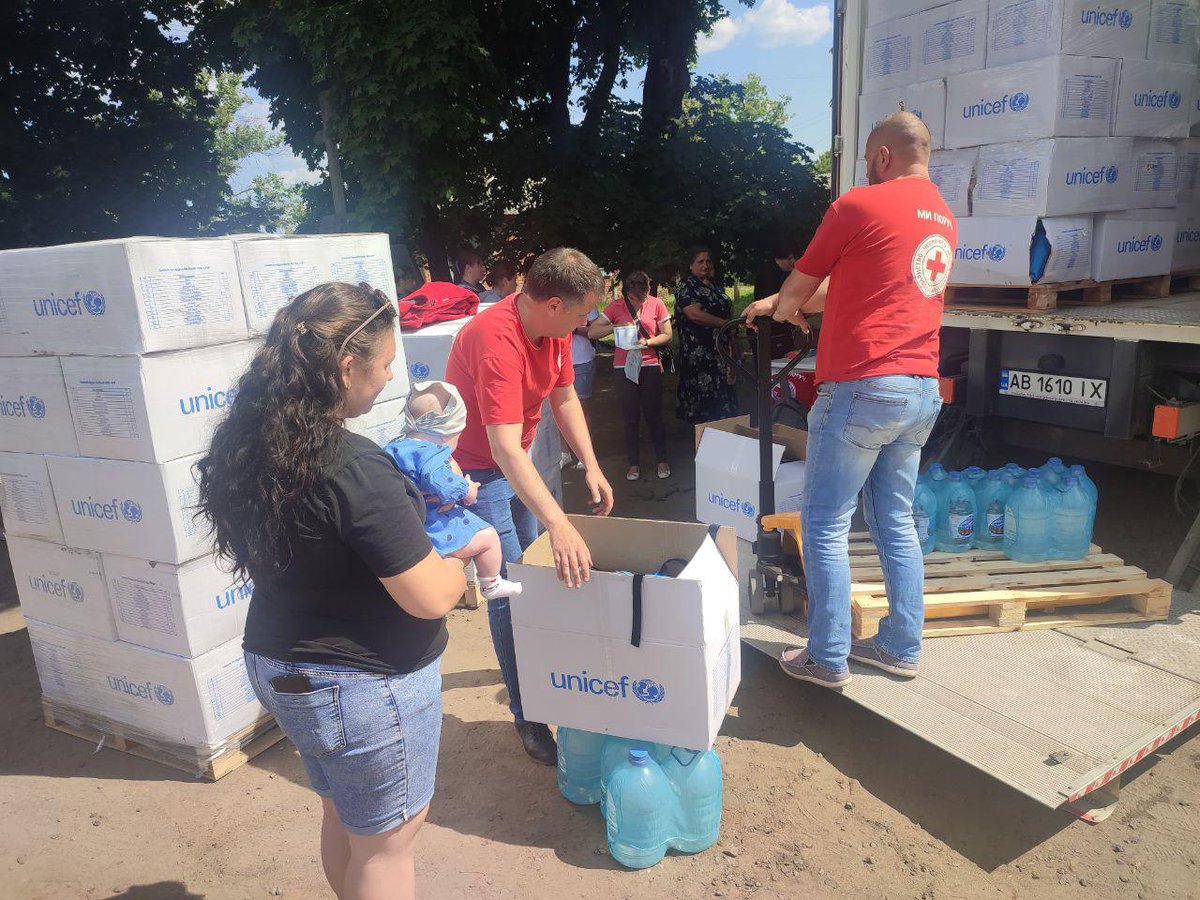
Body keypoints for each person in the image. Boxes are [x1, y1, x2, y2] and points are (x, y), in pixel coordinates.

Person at [196, 282, 467, 900]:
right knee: (388, 843)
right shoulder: (353, 464)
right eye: (387, 363)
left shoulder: (249, 442)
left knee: (343, 816)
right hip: (362, 684)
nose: (391, 376)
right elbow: (429, 595)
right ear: (348, 366)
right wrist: (456, 563)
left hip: (281, 664)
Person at [745, 111, 954, 689]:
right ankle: (901, 645)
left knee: (825, 521)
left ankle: (827, 655)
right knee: (896, 520)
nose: (865, 166)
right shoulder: (940, 218)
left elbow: (800, 291)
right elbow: (854, 283)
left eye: (866, 156)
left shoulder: (857, 205)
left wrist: (779, 307)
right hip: (919, 390)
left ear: (882, 155)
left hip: (862, 385)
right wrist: (779, 300)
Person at [445, 247, 615, 765]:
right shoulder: (494, 339)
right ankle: (529, 711)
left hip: (517, 458)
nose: (591, 322)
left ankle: (539, 668)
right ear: (555, 304)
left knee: (532, 574)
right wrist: (559, 521)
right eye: (585, 311)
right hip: (477, 469)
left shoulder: (556, 331)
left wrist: (591, 463)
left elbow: (563, 399)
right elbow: (499, 447)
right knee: (512, 586)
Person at [383, 381, 522, 601]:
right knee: (489, 537)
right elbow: (443, 485)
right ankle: (491, 583)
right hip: (434, 524)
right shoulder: (432, 454)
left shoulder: (394, 447)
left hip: (410, 522)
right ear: (447, 433)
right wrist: (467, 489)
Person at [589, 270, 672, 481]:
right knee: (630, 417)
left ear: (648, 288)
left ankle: (662, 459)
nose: (638, 301)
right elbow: (592, 332)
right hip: (623, 367)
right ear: (627, 291)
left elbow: (667, 334)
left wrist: (648, 342)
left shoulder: (656, 304)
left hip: (650, 365)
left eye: (641, 296)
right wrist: (615, 326)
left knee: (654, 414)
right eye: (634, 298)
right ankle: (633, 463)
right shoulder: (616, 306)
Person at [675, 245, 739, 425]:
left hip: (723, 352)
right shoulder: (686, 286)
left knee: (725, 399)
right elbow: (694, 314)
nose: (705, 265)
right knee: (704, 405)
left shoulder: (715, 286)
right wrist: (726, 324)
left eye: (708, 261)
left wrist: (733, 341)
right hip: (700, 355)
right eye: (700, 261)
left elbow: (727, 312)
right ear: (691, 265)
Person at [752, 240, 806, 361]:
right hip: (770, 328)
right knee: (771, 364)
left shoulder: (783, 273)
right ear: (778, 259)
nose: (793, 262)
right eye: (789, 258)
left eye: (794, 258)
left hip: (779, 326)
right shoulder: (769, 275)